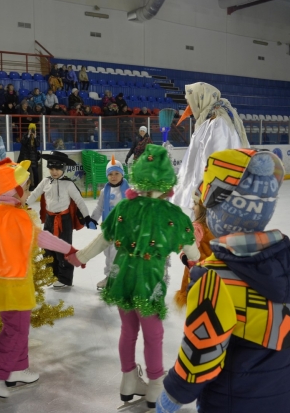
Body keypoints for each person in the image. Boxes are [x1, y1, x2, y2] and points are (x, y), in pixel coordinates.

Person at [156, 148, 290, 413]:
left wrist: (172, 396)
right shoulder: (289, 261)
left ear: (217, 209)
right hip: (284, 396)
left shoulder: (213, 278)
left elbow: (201, 355)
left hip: (231, 402)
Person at [64, 144, 199, 411]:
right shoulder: (172, 214)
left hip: (123, 276)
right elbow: (193, 252)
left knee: (128, 331)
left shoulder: (125, 206)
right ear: (166, 177)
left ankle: (128, 380)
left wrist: (79, 257)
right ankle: (156, 385)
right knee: (154, 334)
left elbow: (103, 239)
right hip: (149, 281)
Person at [0, 157, 77, 399]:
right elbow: (42, 238)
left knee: (19, 327)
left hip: (4, 284)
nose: (28, 192)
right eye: (26, 188)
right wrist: (70, 251)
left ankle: (17, 369)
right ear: (15, 190)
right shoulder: (16, 216)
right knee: (15, 331)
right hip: (14, 284)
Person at [171, 82, 249, 211]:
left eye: (191, 101)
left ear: (201, 98)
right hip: (208, 195)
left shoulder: (218, 124)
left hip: (214, 197)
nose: (189, 107)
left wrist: (203, 195)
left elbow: (215, 162)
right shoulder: (211, 121)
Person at [27, 151, 97, 288]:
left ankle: (64, 279)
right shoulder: (46, 181)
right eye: (51, 169)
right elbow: (35, 193)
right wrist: (24, 205)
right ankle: (51, 275)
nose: (54, 172)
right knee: (47, 248)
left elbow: (79, 201)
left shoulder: (68, 184)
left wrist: (87, 217)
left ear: (63, 168)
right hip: (49, 219)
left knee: (63, 249)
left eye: (57, 169)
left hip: (64, 221)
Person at [90, 156, 130, 290]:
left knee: (118, 254)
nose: (113, 177)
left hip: (123, 229)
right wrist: (93, 219)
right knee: (108, 254)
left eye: (117, 173)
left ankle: (120, 279)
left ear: (122, 174)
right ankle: (109, 277)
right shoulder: (104, 191)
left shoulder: (129, 191)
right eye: (110, 174)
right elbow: (99, 207)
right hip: (109, 228)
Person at [173, 190, 214, 310]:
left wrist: (185, 258)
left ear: (204, 208)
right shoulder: (219, 229)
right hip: (215, 275)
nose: (192, 207)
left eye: (195, 204)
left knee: (195, 305)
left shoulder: (197, 227)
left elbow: (188, 245)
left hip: (196, 275)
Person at [18, 123, 40, 190]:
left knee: (35, 172)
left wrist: (35, 137)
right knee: (27, 174)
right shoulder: (25, 135)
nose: (32, 130)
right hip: (26, 157)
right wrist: (28, 136)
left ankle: (37, 186)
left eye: (33, 129)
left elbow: (38, 144)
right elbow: (23, 143)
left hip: (33, 157)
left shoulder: (36, 136)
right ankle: (29, 186)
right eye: (31, 129)